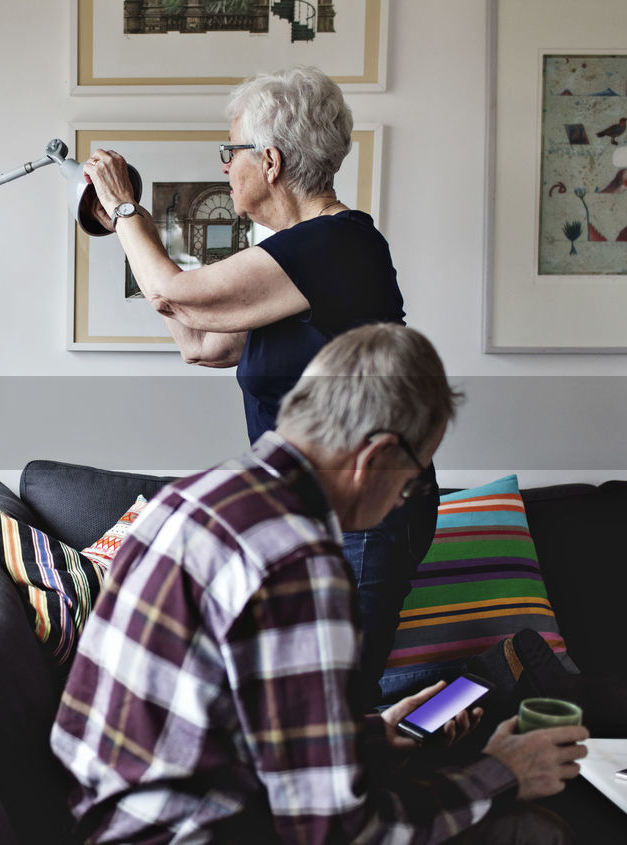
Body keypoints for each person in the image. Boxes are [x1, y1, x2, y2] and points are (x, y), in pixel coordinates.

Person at [52, 324, 587, 844]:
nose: (404, 502)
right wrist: (501, 773)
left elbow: (231, 731)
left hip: (109, 821)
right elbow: (335, 832)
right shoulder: (298, 559)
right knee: (533, 830)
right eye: (412, 483)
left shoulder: (188, 500)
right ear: (374, 459)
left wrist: (372, 735)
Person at [82, 65, 431, 701]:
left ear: (268, 160)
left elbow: (174, 294)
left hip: (362, 511)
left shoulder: (336, 245)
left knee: (330, 696)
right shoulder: (299, 260)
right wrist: (126, 234)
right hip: (307, 514)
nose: (225, 166)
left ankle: (423, 737)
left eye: (231, 151)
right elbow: (199, 342)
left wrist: (126, 207)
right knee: (301, 692)